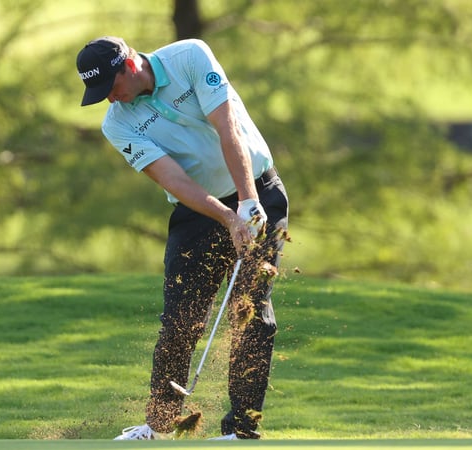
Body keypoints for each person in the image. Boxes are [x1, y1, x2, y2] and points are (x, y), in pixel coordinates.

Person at [75, 36, 289, 440]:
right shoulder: (117, 123)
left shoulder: (190, 56)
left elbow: (228, 129)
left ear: (130, 66)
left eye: (111, 87)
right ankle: (158, 425)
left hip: (259, 192)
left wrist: (247, 202)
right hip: (199, 211)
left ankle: (241, 431)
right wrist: (228, 217)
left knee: (250, 311)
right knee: (179, 321)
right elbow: (172, 177)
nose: (109, 99)